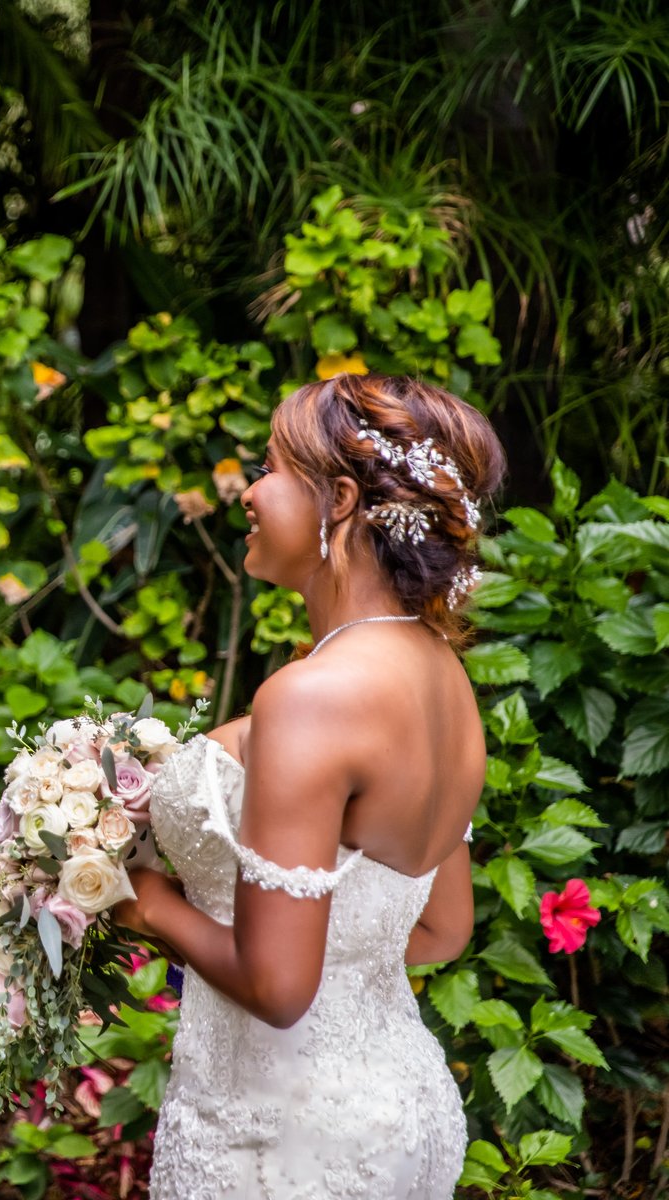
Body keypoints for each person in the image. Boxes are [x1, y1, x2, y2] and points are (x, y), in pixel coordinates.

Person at [114, 373, 504, 1198]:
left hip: (283, 1139)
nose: (248, 492)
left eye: (268, 468)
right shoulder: (444, 678)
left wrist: (145, 906)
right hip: (403, 1110)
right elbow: (442, 929)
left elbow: (279, 989)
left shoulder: (312, 697)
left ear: (339, 499)